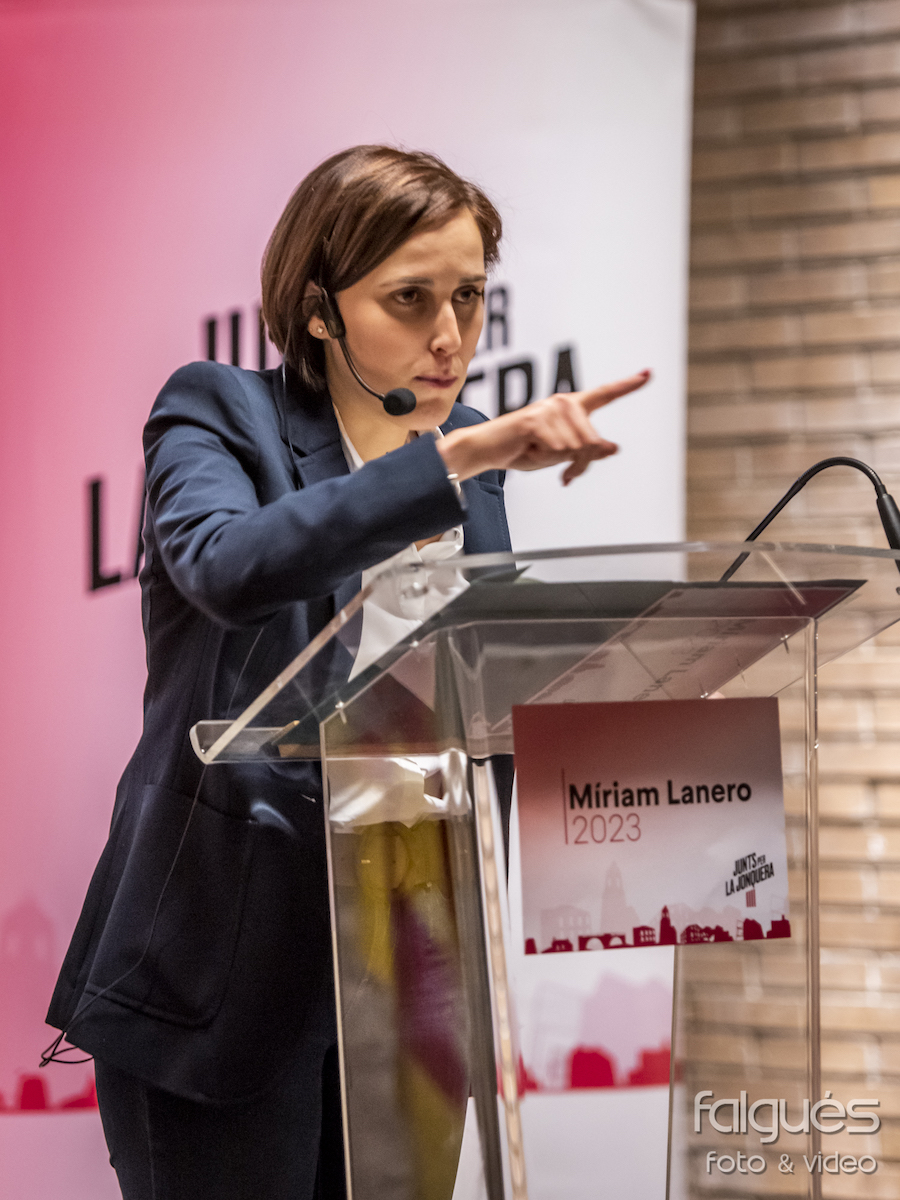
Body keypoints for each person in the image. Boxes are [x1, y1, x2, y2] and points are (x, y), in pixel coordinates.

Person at [45, 145, 649, 1200]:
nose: (451, 334)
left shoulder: (471, 451)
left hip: (414, 965)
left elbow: (470, 684)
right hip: (224, 974)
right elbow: (231, 568)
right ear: (320, 309)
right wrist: (449, 462)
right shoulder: (217, 412)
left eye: (469, 296)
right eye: (411, 299)